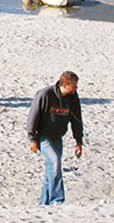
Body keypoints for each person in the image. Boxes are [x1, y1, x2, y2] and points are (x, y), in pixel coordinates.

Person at [26, 71, 83, 206]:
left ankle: (44, 204)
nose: (76, 89)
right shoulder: (45, 94)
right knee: (55, 163)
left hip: (58, 138)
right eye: (73, 86)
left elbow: (77, 121)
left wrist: (78, 142)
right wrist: (32, 139)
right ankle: (57, 200)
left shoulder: (73, 98)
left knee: (52, 170)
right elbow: (32, 118)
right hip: (43, 136)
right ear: (64, 84)